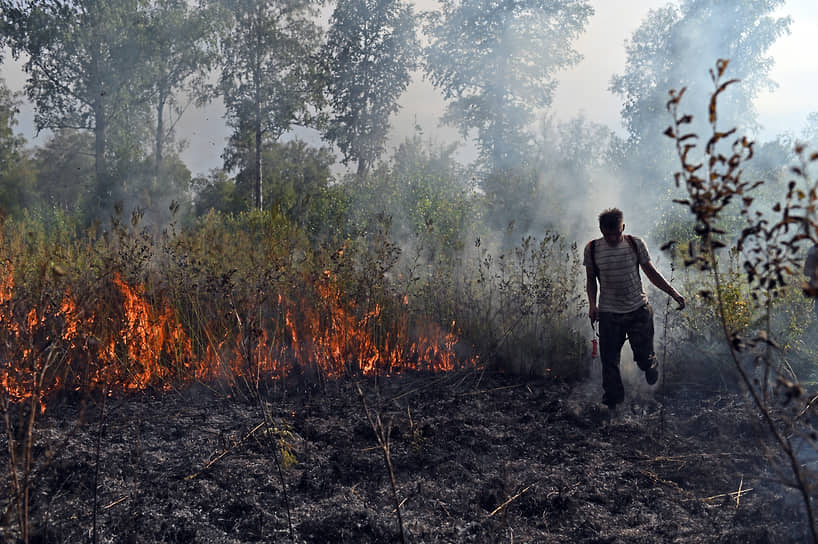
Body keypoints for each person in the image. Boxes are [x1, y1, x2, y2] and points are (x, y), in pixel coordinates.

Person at [584, 208, 685, 409]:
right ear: (601, 230)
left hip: (638, 310)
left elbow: (651, 273)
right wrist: (592, 304)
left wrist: (674, 293)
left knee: (643, 357)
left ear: (623, 227)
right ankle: (613, 401)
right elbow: (591, 280)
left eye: (616, 233)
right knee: (609, 360)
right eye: (607, 234)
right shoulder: (593, 249)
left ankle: (650, 365)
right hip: (609, 313)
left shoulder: (635, 244)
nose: (612, 238)